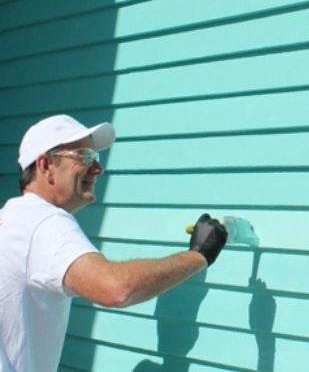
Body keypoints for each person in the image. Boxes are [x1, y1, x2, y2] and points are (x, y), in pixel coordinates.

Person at [0, 114, 228, 372]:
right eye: (84, 157)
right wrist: (200, 254)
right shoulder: (45, 223)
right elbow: (117, 288)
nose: (98, 169)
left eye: (96, 159)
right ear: (45, 166)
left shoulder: (11, 217)